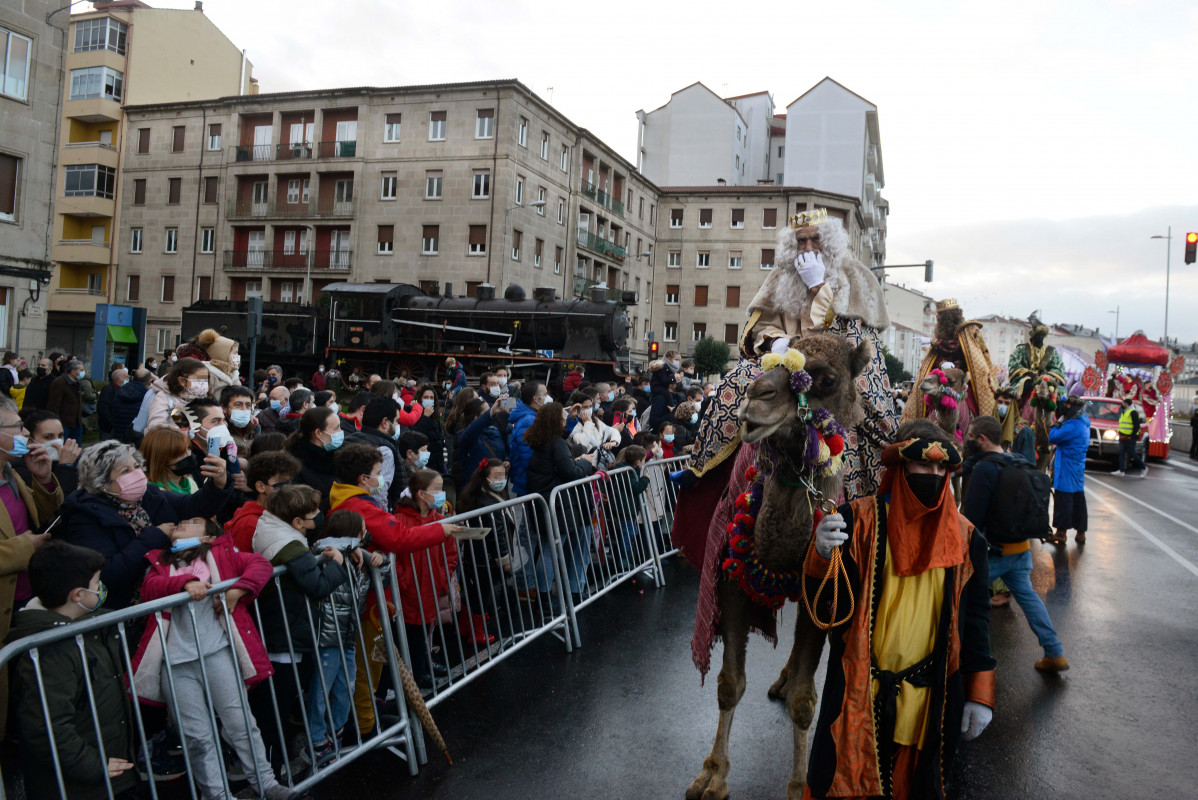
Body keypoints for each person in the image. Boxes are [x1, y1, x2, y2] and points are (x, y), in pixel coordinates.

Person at [806, 419, 995, 799]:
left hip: (928, 700)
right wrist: (821, 557)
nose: (935, 474)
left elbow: (975, 619)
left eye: (943, 468)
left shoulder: (967, 537)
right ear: (901, 464)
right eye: (925, 464)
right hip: (858, 697)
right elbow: (831, 612)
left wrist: (979, 693)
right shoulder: (857, 521)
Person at [131, 520, 297, 800]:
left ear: (209, 536)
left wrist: (239, 589)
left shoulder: (223, 556)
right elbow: (150, 588)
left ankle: (266, 783)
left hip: (217, 652)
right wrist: (184, 582)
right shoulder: (159, 560)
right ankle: (217, 795)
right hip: (174, 664)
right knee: (197, 736)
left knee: (241, 722)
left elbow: (260, 564)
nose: (184, 523)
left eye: (194, 522)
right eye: (184, 521)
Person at [7, 541, 138, 800]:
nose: (100, 589)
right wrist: (92, 765)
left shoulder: (86, 627)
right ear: (78, 595)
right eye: (96, 583)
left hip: (104, 778)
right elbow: (47, 726)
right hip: (80, 785)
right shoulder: (50, 650)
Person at [56, 440, 232, 609]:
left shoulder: (149, 495)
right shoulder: (85, 516)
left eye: (137, 467)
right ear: (102, 483)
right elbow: (107, 573)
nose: (136, 474)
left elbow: (193, 506)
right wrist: (154, 537)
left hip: (167, 592)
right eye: (125, 471)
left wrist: (219, 483)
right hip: (129, 609)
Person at [249, 484, 349, 776]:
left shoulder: (273, 529)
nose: (318, 516)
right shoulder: (289, 545)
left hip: (284, 630)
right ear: (296, 522)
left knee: (277, 707)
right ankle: (273, 775)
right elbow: (317, 585)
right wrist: (337, 564)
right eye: (313, 513)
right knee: (275, 712)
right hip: (285, 636)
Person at [963, 415, 1069, 672]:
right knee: (1029, 599)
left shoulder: (985, 469)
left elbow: (971, 520)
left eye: (970, 435)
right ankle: (1054, 653)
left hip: (991, 553)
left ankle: (948, 657)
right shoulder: (1017, 461)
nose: (967, 439)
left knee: (956, 598)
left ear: (982, 438)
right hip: (1020, 548)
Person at [304, 509, 382, 766]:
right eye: (361, 530)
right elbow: (318, 549)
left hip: (348, 635)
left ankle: (334, 733)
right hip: (327, 636)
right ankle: (315, 740)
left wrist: (378, 559)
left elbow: (385, 576)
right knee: (320, 691)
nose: (365, 534)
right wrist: (347, 550)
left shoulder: (356, 555)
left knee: (345, 687)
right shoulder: (328, 552)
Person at [391, 468, 460, 686]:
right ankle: (415, 675)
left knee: (427, 629)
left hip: (431, 586)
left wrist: (443, 575)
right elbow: (396, 557)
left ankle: (424, 665)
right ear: (421, 494)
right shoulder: (399, 520)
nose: (442, 495)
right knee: (411, 634)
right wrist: (404, 581)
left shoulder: (439, 519)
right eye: (437, 490)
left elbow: (450, 553)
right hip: (410, 590)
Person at [525, 402, 596, 601]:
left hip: (549, 502)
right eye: (563, 418)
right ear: (555, 421)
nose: (566, 421)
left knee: (550, 549)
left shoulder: (543, 440)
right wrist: (584, 462)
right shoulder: (556, 443)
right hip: (557, 505)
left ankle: (545, 593)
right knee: (551, 551)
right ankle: (544, 596)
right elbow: (571, 473)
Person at [226, 451, 301, 553]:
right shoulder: (248, 525)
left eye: (290, 483)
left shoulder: (284, 513)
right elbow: (237, 563)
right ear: (261, 487)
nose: (289, 490)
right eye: (281, 485)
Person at [346, 397, 406, 507]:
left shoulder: (351, 438)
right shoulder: (384, 451)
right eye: (396, 421)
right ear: (385, 422)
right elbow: (379, 493)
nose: (398, 425)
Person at [1047, 396, 1089, 545]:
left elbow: (1052, 437)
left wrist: (1057, 423)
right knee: (1078, 500)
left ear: (1072, 407)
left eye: (1066, 404)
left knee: (1063, 500)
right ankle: (1081, 533)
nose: (1063, 406)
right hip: (1077, 467)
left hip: (1066, 467)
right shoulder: (1084, 422)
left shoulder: (1071, 425)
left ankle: (1061, 534)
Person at [286, 406, 343, 506]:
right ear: (318, 433)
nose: (341, 432)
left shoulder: (336, 456)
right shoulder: (298, 467)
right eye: (336, 428)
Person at [18, 408, 82, 496]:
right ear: (29, 441)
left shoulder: (56, 463)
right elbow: (62, 502)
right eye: (48, 437)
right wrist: (65, 466)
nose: (57, 442)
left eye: (60, 435)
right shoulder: (20, 469)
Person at [450, 394, 507, 492]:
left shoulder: (494, 430)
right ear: (477, 418)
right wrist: (491, 412)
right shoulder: (464, 435)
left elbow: (502, 450)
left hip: (496, 484)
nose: (491, 414)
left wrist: (507, 460)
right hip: (475, 489)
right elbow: (471, 432)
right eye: (487, 412)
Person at [145, 357, 208, 431]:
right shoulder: (164, 398)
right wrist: (184, 433)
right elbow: (156, 429)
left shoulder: (202, 398)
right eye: (198, 379)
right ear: (182, 380)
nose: (203, 384)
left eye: (205, 379)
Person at [508, 381, 548, 496]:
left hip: (529, 478)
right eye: (545, 394)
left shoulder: (532, 416)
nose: (547, 397)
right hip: (529, 480)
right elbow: (527, 456)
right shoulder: (529, 421)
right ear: (536, 398)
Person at [176, 329, 241, 398]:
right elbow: (193, 398)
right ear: (222, 354)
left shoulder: (234, 373)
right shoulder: (202, 372)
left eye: (237, 353)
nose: (237, 357)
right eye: (234, 353)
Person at [141, 426, 199, 495]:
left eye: (188, 448)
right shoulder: (153, 494)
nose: (189, 455)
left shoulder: (190, 483)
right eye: (180, 454)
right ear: (161, 460)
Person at [568, 391, 619, 468]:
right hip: (589, 466)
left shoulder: (595, 420)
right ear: (577, 409)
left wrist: (613, 442)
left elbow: (612, 431)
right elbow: (583, 443)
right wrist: (588, 423)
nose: (589, 409)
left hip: (602, 463)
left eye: (590, 406)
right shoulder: (574, 425)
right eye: (585, 407)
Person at [410, 384, 447, 476]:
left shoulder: (435, 416)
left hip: (437, 463)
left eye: (431, 398)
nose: (429, 400)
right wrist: (425, 417)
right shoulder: (415, 414)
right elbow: (414, 435)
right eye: (426, 397)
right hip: (423, 463)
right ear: (420, 399)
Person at [47, 359, 86, 445]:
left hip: (76, 423)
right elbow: (54, 405)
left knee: (75, 449)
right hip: (64, 424)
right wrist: (56, 423)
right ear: (73, 371)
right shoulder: (60, 382)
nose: (83, 372)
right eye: (81, 370)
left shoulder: (77, 383)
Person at [113, 368, 152, 443]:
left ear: (133, 378)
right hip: (136, 439)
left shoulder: (119, 392)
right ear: (149, 382)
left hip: (118, 436)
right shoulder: (148, 398)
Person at [1112, 397, 1147, 477]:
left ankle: (1143, 468)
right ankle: (1121, 470)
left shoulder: (1133, 412)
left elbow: (1136, 426)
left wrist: (1132, 436)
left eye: (1123, 403)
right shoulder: (1124, 412)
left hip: (1130, 437)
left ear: (1127, 404)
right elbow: (1122, 424)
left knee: (1132, 454)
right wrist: (1120, 433)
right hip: (1123, 436)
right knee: (1121, 453)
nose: (1122, 404)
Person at [223, 384, 258, 452]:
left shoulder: (253, 428)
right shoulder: (221, 432)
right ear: (224, 408)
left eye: (248, 405)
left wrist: (251, 429)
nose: (244, 409)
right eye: (238, 405)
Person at [97, 367, 127, 441]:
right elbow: (104, 409)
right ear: (119, 378)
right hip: (108, 429)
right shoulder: (108, 390)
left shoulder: (122, 389)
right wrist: (113, 423)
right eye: (126, 377)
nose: (128, 379)